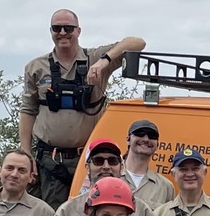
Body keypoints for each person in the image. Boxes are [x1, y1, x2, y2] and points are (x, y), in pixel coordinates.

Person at [18, 13, 146, 205]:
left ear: (78, 31)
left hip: (90, 159)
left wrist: (104, 61)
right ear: (51, 31)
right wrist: (26, 153)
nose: (63, 33)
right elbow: (28, 109)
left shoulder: (93, 58)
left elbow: (138, 43)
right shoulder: (36, 67)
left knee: (94, 208)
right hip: (52, 160)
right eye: (57, 28)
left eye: (68, 28)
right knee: (54, 214)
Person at [54, 137, 125, 216]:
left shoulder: (140, 211)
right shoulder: (66, 211)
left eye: (112, 161)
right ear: (87, 168)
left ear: (121, 167)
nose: (106, 167)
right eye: (98, 161)